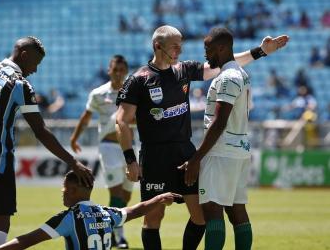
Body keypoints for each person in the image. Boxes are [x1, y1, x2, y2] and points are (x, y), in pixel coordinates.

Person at [115, 25, 289, 250]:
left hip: (185, 153)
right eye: (174, 46)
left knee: (201, 216)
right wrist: (130, 160)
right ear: (157, 46)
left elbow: (222, 63)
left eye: (181, 46)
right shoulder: (139, 79)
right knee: (153, 218)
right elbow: (121, 120)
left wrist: (261, 51)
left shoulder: (183, 70)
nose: (179, 50)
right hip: (155, 155)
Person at [0, 36, 94, 250]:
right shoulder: (19, 84)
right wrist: (72, 161)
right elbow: (40, 131)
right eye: (35, 63)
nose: (35, 70)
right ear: (24, 55)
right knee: (0, 223)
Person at [178, 27, 288, 250]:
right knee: (238, 211)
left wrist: (197, 158)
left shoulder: (228, 78)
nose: (205, 54)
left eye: (208, 49)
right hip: (239, 151)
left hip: (221, 152)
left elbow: (220, 122)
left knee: (212, 211)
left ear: (221, 48)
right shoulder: (240, 73)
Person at [0, 171, 181, 250]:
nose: (62, 193)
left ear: (73, 191)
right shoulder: (107, 213)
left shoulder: (69, 218)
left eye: (64, 189)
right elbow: (135, 211)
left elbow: (26, 240)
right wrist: (158, 198)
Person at [70, 55, 133, 249]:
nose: (119, 73)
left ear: (126, 71)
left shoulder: (133, 92)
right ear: (109, 70)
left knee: (126, 195)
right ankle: (118, 237)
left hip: (130, 147)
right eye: (116, 69)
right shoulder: (98, 93)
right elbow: (86, 116)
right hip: (108, 147)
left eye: (122, 69)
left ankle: (113, 229)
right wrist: (74, 138)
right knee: (116, 193)